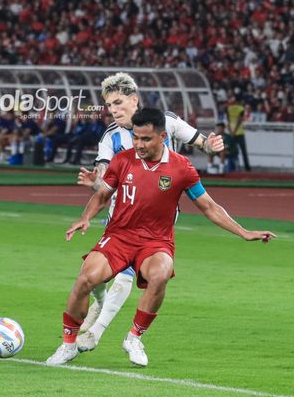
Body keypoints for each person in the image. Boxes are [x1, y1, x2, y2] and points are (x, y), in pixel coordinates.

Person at [46, 108, 275, 367]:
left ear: (163, 137)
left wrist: (244, 232)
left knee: (161, 273)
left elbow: (209, 207)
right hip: (120, 236)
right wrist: (85, 217)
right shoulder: (123, 160)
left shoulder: (181, 168)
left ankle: (133, 338)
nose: (139, 144)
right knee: (85, 277)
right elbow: (103, 195)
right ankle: (68, 346)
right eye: (135, 138)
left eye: (146, 139)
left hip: (156, 242)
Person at [74, 72, 224, 353]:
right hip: (121, 215)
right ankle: (100, 300)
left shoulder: (166, 122)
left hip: (157, 218)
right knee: (96, 277)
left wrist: (212, 146)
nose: (114, 110)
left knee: (126, 275)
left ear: (134, 100)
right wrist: (93, 182)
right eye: (109, 106)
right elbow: (103, 181)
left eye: (118, 102)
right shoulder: (110, 137)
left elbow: (201, 142)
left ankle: (95, 333)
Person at [226, 94, 251, 171]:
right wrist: (235, 131)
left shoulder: (228, 109)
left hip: (231, 133)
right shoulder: (241, 108)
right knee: (243, 152)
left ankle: (232, 168)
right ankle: (247, 168)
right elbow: (240, 120)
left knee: (232, 151)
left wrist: (231, 132)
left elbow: (228, 122)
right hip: (239, 132)